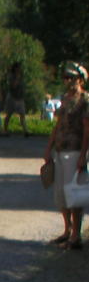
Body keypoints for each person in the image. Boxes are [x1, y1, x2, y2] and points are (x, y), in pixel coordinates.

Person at [41, 62, 89, 250]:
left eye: (71, 78)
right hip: (61, 150)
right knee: (61, 193)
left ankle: (76, 235)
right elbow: (58, 124)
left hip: (75, 150)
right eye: (65, 78)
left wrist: (83, 155)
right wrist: (49, 148)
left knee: (74, 194)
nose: (67, 81)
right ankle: (67, 230)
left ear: (80, 79)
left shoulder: (85, 100)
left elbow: (87, 129)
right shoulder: (65, 98)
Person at [1, 62, 29, 137]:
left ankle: (25, 131)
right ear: (15, 68)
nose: (20, 69)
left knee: (22, 114)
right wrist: (17, 78)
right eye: (18, 67)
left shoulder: (21, 76)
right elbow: (13, 86)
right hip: (12, 97)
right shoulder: (12, 76)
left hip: (20, 98)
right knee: (9, 114)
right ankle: (5, 130)